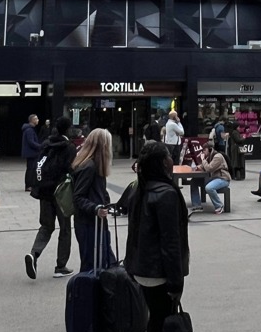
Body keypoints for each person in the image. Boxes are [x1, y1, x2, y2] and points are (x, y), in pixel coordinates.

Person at [125, 141, 190, 332]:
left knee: (155, 317)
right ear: (163, 162)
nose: (171, 160)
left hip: (141, 269)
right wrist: (175, 282)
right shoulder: (167, 194)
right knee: (162, 319)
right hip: (158, 273)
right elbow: (171, 242)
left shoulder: (139, 189)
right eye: (168, 156)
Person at [25, 117, 77, 279]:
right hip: (61, 193)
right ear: (68, 129)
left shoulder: (46, 144)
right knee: (65, 229)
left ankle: (34, 253)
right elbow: (71, 168)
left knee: (46, 226)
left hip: (45, 192)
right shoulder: (69, 147)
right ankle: (61, 266)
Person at [72, 127, 115, 273]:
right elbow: (78, 196)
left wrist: (106, 202)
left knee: (102, 261)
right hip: (89, 222)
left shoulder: (94, 165)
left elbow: (98, 191)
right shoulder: (89, 167)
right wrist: (95, 208)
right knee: (92, 264)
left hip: (95, 221)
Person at [188, 141, 231, 215]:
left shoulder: (217, 157)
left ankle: (219, 205)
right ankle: (197, 205)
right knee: (194, 181)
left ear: (210, 149)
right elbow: (203, 166)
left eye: (205, 150)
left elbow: (209, 168)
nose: (203, 152)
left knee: (209, 188)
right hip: (214, 178)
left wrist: (203, 160)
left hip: (222, 178)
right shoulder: (209, 156)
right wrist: (196, 167)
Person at [21, 114, 43, 192]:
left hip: (31, 152)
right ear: (32, 120)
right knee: (31, 169)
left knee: (32, 169)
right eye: (36, 119)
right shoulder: (29, 130)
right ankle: (29, 185)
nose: (38, 120)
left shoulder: (30, 129)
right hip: (31, 153)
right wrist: (41, 146)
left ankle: (30, 185)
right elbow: (31, 142)